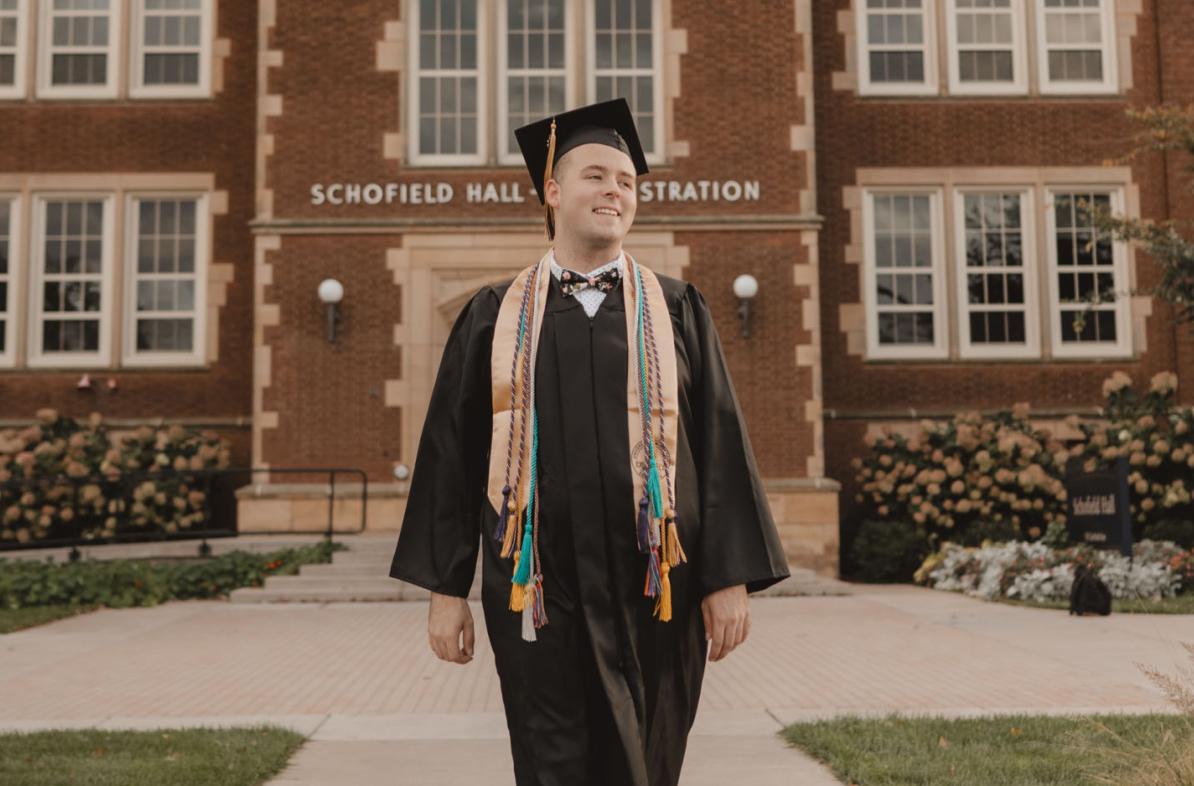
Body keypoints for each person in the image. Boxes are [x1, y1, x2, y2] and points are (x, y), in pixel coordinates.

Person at [389, 97, 789, 786]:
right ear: (552, 190)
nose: (615, 191)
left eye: (627, 181)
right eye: (596, 176)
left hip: (657, 583)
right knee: (551, 757)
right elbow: (451, 459)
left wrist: (729, 579)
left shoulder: (675, 309)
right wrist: (445, 590)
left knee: (649, 755)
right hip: (538, 589)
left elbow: (720, 444)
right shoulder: (494, 318)